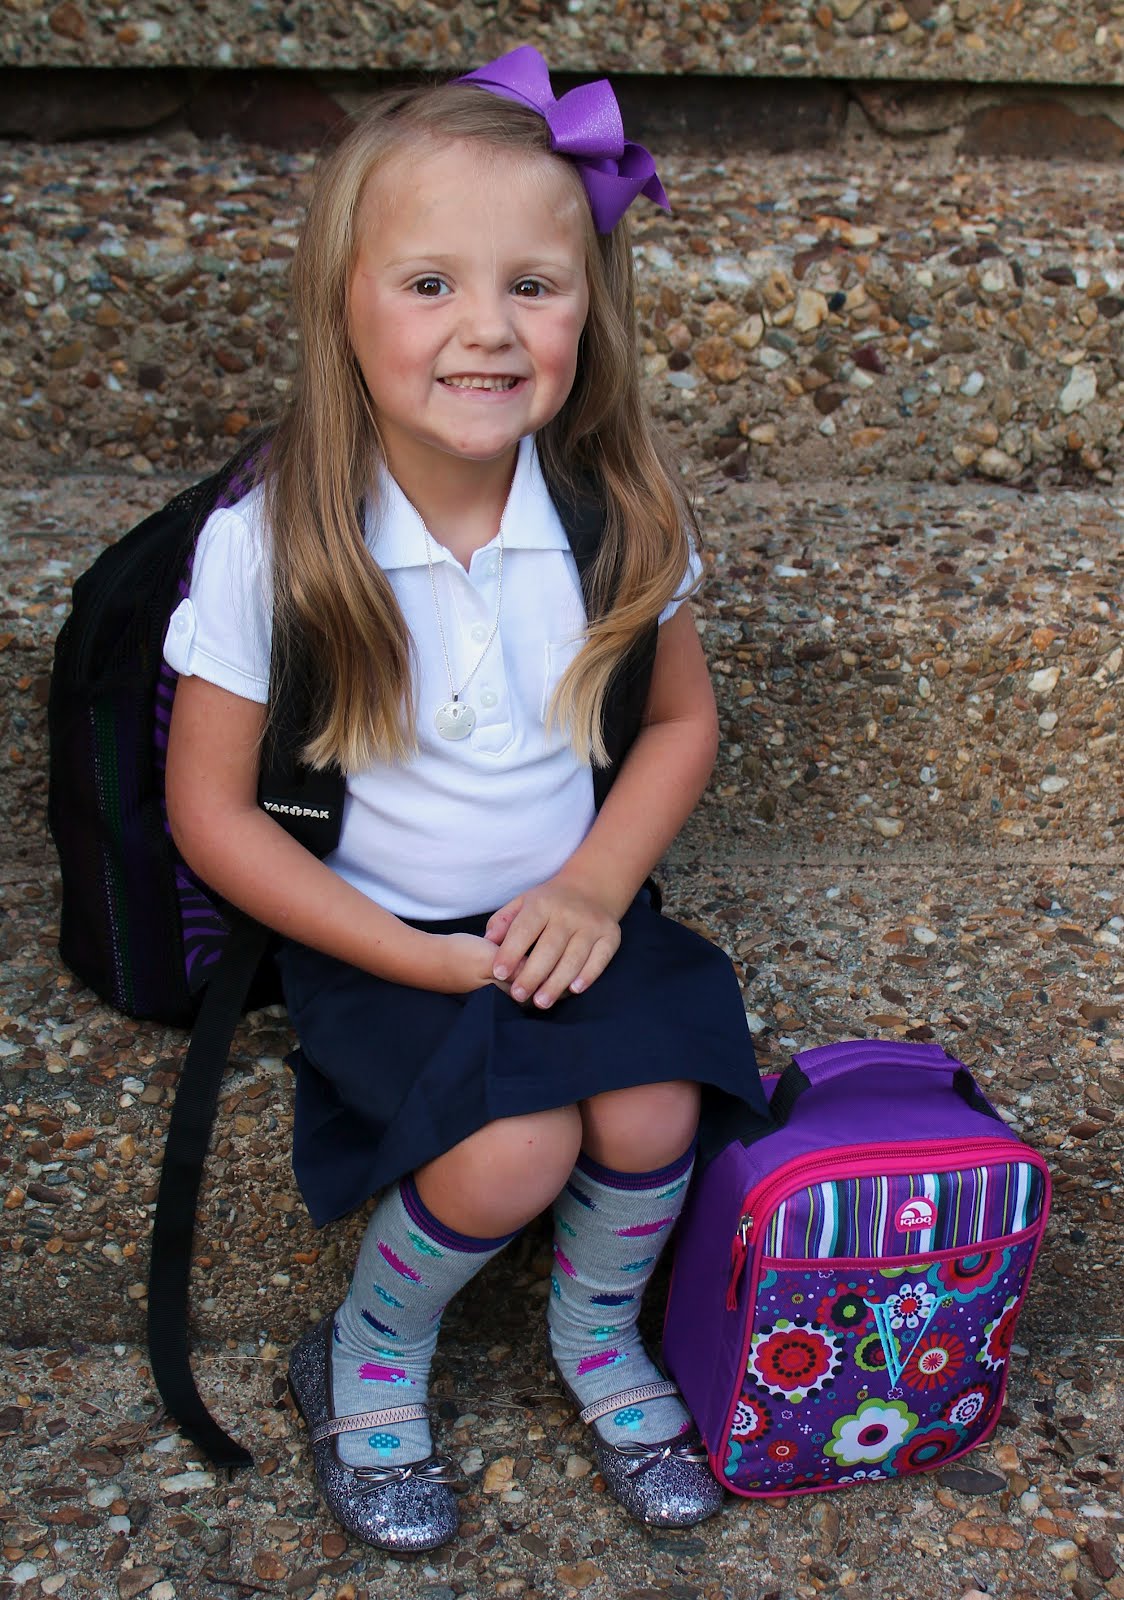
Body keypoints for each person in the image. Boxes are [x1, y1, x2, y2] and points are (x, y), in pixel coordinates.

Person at [163, 45, 766, 1554]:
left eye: (534, 286)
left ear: (590, 309)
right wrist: (413, 958)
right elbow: (211, 815)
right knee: (514, 1150)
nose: (487, 328)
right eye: (430, 283)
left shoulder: (616, 515)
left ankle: (596, 1335)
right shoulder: (276, 541)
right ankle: (365, 1355)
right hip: (384, 934)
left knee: (655, 1105)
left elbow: (680, 722)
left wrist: (594, 886)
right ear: (343, 304)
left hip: (573, 909)